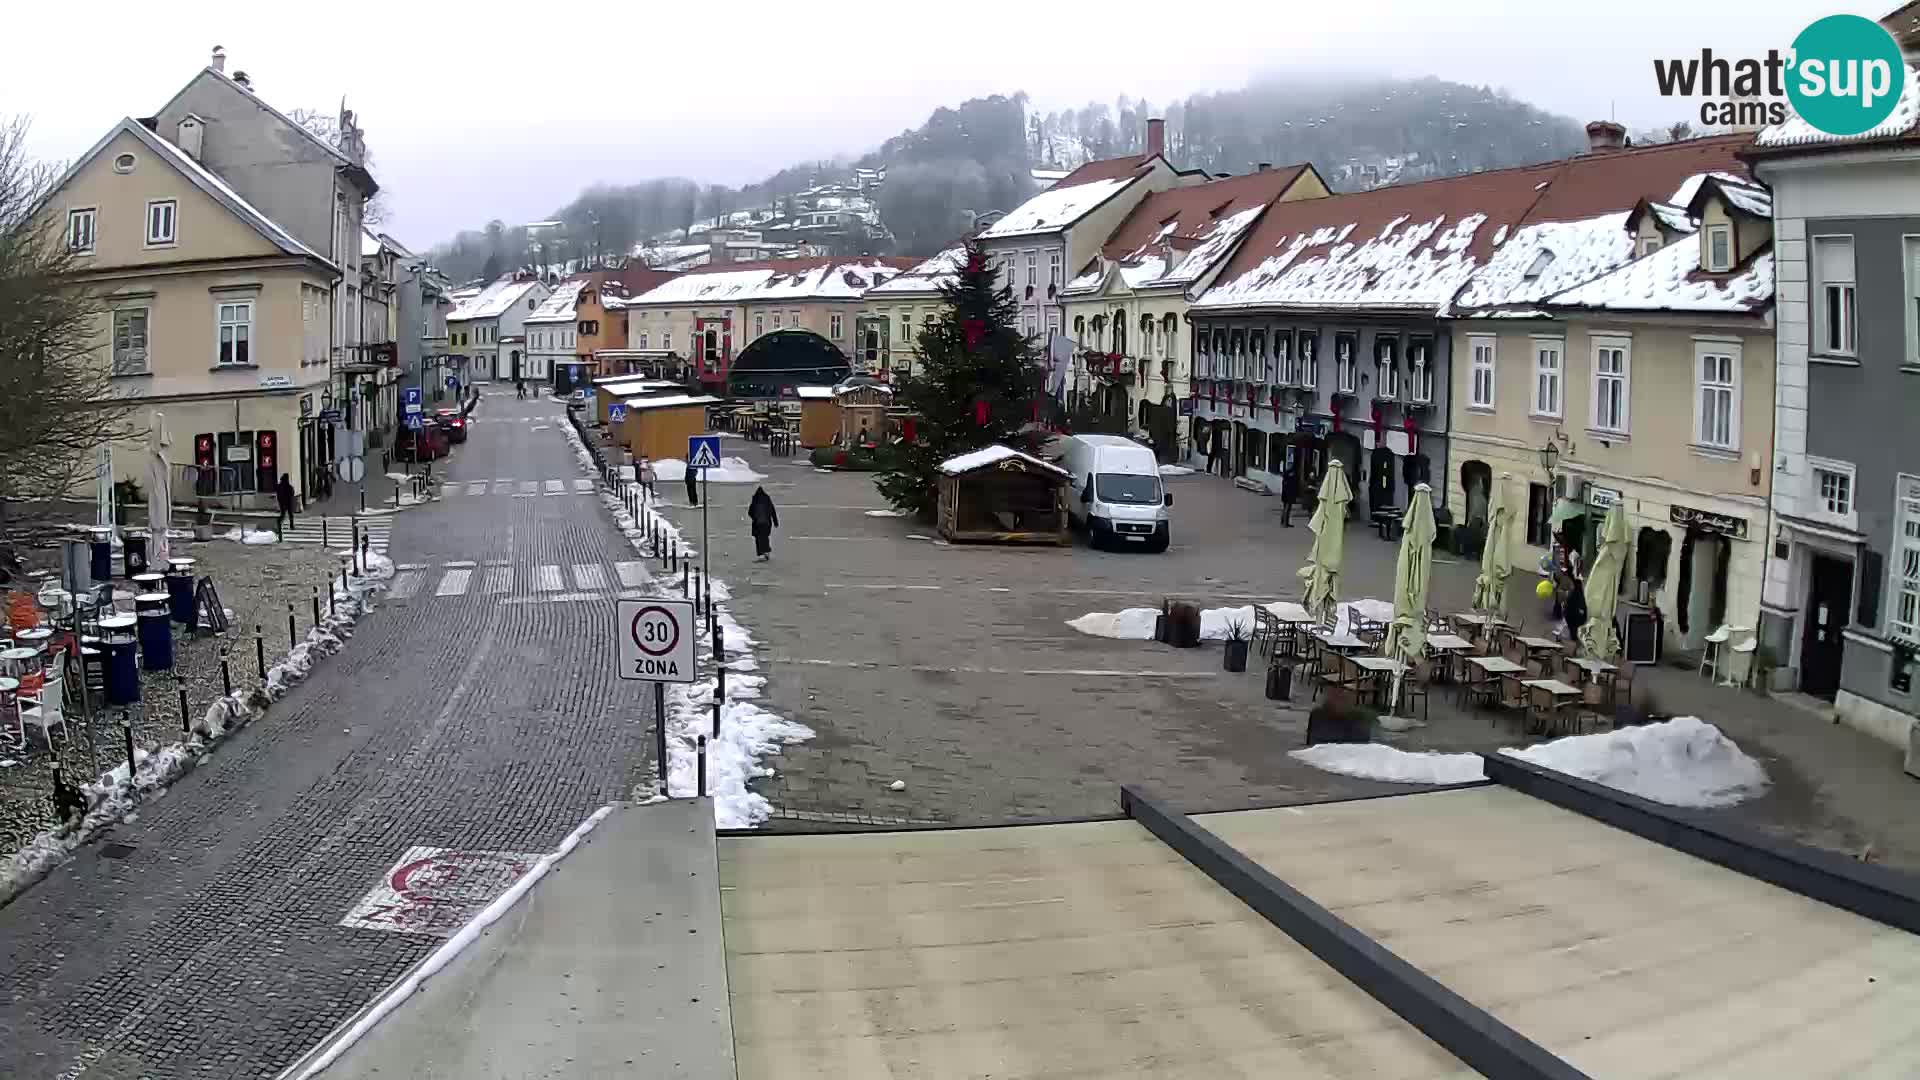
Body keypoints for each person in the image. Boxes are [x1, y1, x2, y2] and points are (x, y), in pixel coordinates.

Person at [748, 486, 780, 561]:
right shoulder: (767, 499)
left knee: (759, 539)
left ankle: (761, 554)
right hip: (767, 523)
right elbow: (772, 510)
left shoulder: (755, 499)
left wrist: (754, 518)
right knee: (765, 538)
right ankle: (767, 552)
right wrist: (775, 522)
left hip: (757, 523)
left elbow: (750, 512)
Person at [1280, 460, 1300, 527]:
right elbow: (1292, 484)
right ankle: (1285, 523)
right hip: (1288, 494)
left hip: (1286, 494)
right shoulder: (1291, 473)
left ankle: (1283, 522)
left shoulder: (1287, 474)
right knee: (1287, 508)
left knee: (1285, 508)